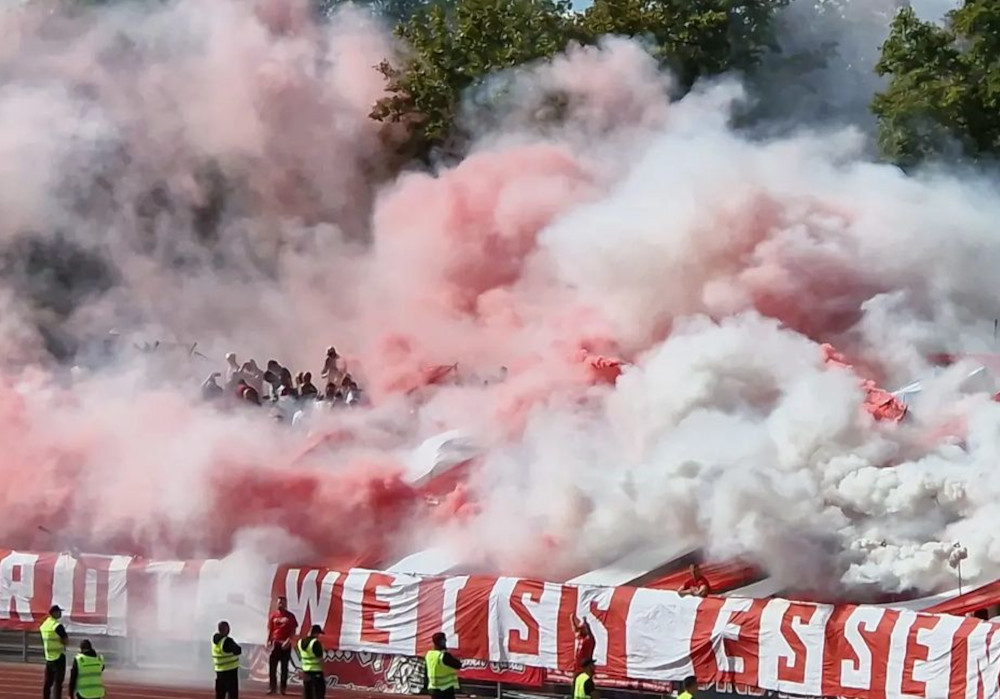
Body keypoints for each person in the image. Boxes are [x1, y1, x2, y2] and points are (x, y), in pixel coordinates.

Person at [267, 596, 298, 696]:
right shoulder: (273, 615)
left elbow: (293, 631)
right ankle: (272, 688)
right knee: (272, 667)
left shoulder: (290, 616)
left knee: (284, 668)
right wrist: (268, 640)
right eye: (279, 603)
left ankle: (283, 689)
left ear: (286, 604)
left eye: (282, 603)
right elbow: (270, 629)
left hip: (285, 644)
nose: (280, 605)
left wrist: (288, 641)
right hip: (275, 643)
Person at [41, 604, 69, 699]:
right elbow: (66, 641)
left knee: (48, 682)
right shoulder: (57, 626)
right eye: (59, 612)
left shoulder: (45, 624)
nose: (60, 613)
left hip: (49, 657)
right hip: (59, 656)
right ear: (54, 613)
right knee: (58, 683)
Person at [425, 632, 461, 699]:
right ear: (442, 641)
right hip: (445, 688)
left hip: (433, 688)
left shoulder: (429, 654)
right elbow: (458, 665)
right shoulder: (444, 655)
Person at [212, 620, 242, 699]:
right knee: (232, 694)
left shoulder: (215, 641)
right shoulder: (227, 641)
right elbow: (238, 650)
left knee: (220, 694)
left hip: (219, 671)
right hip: (230, 671)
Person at [297, 624, 325, 699]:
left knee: (307, 693)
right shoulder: (315, 643)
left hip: (305, 671)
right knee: (318, 693)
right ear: (315, 633)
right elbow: (320, 658)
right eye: (318, 634)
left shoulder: (300, 642)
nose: (318, 636)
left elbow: (300, 655)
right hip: (316, 671)